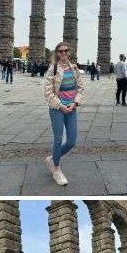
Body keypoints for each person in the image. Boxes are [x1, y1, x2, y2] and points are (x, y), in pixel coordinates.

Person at [44, 41, 84, 186]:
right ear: (57, 53)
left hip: (72, 108)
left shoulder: (74, 69)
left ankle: (52, 158)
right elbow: (48, 93)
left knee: (72, 141)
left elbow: (80, 88)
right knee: (58, 139)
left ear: (69, 52)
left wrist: (75, 103)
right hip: (57, 109)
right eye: (60, 51)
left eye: (66, 50)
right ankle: (56, 169)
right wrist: (60, 106)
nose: (63, 53)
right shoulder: (52, 69)